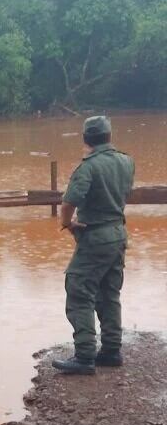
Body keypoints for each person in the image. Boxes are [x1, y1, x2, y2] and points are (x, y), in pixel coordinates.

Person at [52, 116, 135, 375]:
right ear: (109, 136)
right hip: (118, 234)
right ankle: (111, 350)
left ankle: (85, 356)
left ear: (86, 139)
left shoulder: (87, 167)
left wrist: (67, 223)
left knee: (78, 289)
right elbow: (124, 193)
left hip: (95, 236)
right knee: (109, 292)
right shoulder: (126, 161)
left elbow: (69, 202)